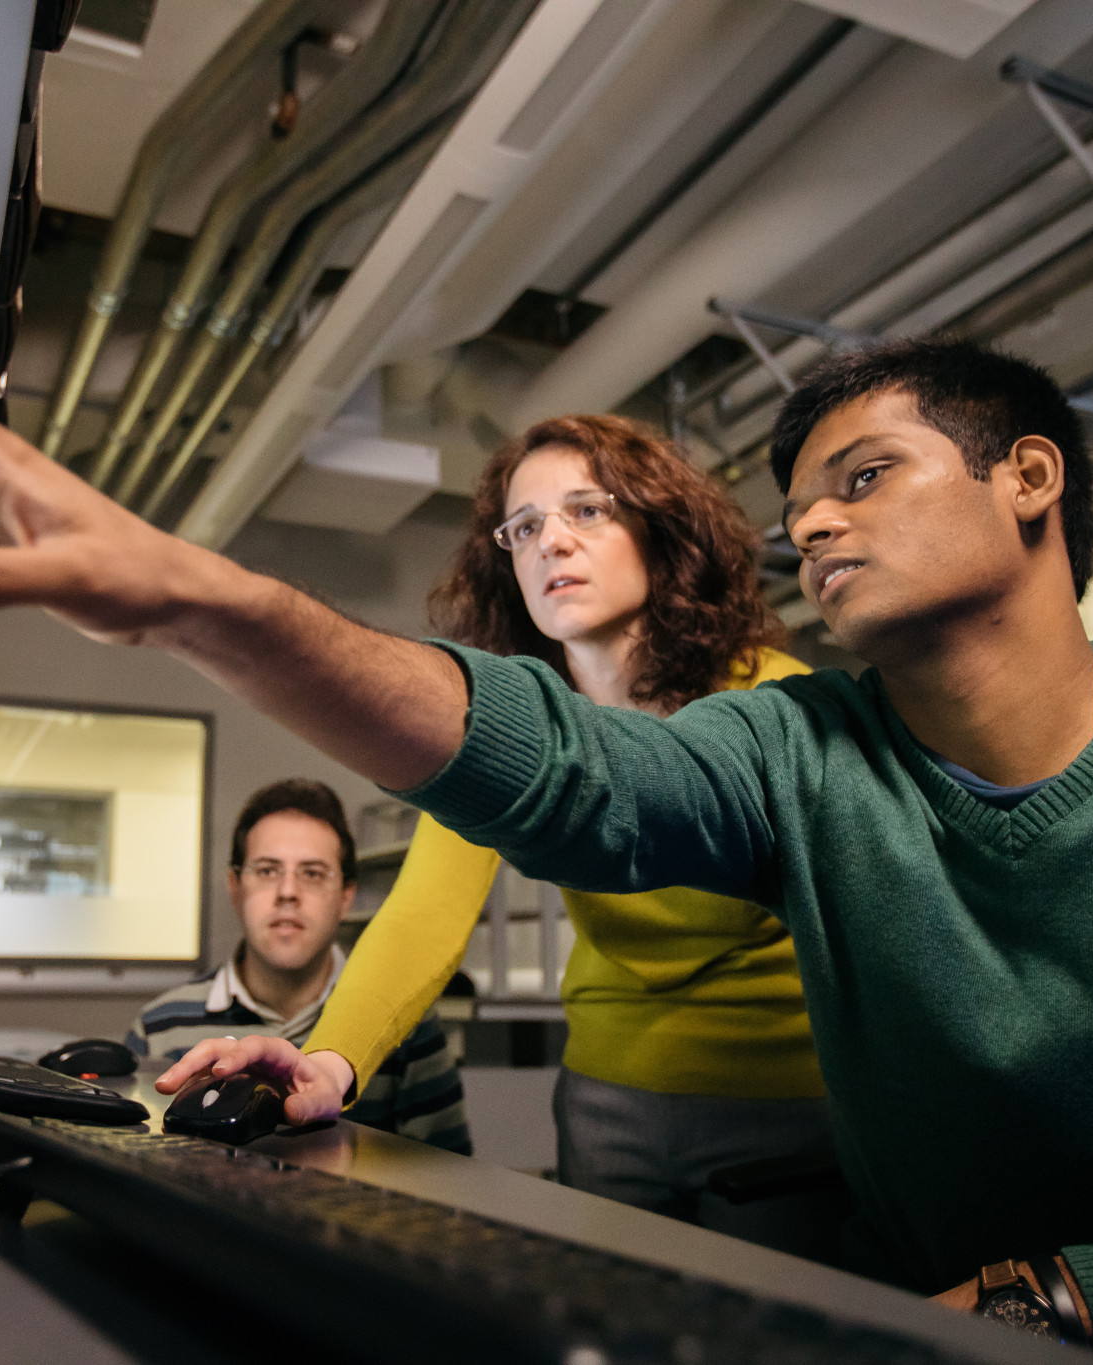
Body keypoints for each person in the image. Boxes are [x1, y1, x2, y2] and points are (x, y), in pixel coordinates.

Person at [0, 307, 1093, 1362]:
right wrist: (194, 602)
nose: (811, 518)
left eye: (862, 476)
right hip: (717, 1154)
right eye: (522, 525)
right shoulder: (780, 745)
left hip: (835, 1147)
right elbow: (528, 801)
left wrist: (1060, 1298)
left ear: (1027, 479)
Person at [204, 414, 838, 1255]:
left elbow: (862, 918)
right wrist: (330, 1061)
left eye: (587, 511)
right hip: (604, 1098)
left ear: (660, 529)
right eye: (526, 526)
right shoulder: (518, 723)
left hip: (787, 1102)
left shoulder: (777, 702)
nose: (552, 544)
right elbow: (426, 910)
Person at [124, 778, 470, 1153]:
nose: (288, 892)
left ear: (346, 896)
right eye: (268, 870)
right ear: (235, 886)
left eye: (312, 873)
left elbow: (449, 1177)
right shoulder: (159, 1025)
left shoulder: (409, 1028)